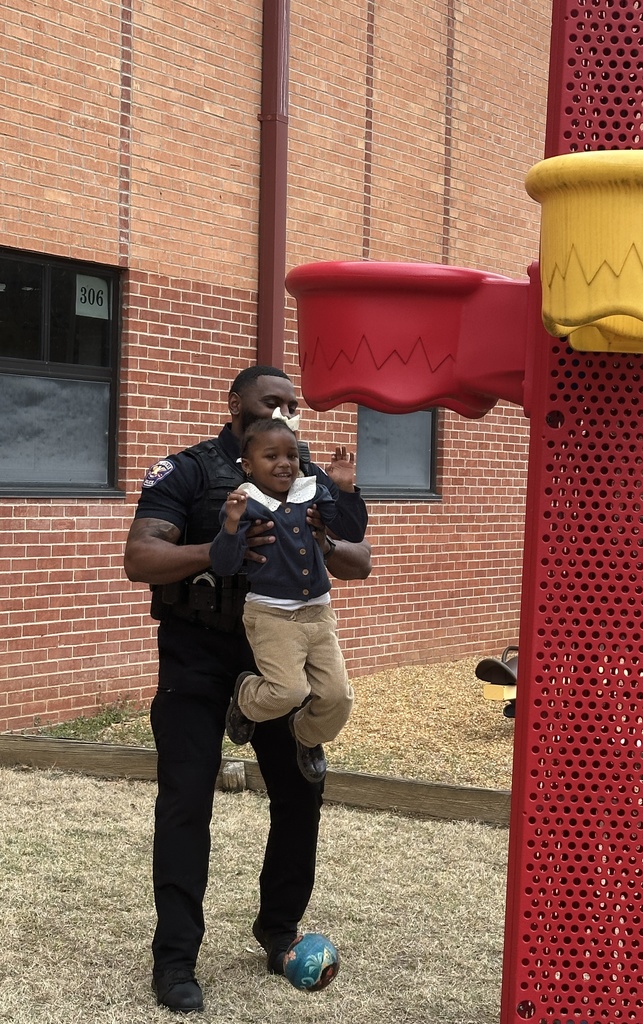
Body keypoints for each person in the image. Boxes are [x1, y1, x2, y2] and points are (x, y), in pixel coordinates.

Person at [123, 365, 372, 1013]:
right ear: (236, 404)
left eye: (295, 404)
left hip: (278, 656)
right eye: (274, 402)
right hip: (198, 658)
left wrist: (318, 531)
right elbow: (140, 557)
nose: (288, 413)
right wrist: (221, 545)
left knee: (300, 797)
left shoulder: (302, 470)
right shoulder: (190, 472)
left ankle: (279, 932)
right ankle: (176, 960)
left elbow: (358, 560)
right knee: (186, 803)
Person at [209, 417, 367, 784]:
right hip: (272, 615)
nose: (285, 463)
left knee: (338, 697)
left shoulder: (312, 491)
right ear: (247, 465)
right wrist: (231, 527)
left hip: (318, 615)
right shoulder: (244, 503)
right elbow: (225, 564)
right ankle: (247, 695)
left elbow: (351, 531)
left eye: (292, 455)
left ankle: (307, 735)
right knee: (288, 691)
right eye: (271, 456)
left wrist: (344, 489)